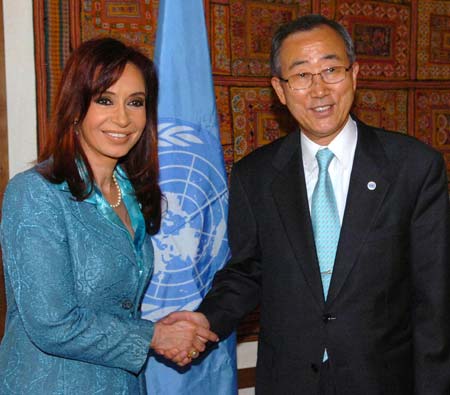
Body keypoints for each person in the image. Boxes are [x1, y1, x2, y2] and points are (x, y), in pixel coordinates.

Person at [162, 14, 450, 394]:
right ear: (279, 90)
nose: (319, 90)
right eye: (301, 75)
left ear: (354, 75)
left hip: (382, 380)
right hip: (289, 379)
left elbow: (435, 300)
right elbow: (249, 270)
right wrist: (204, 321)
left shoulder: (414, 167)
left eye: (331, 70)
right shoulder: (256, 174)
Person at [0, 37, 217, 395]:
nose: (122, 118)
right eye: (105, 100)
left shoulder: (132, 194)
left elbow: (116, 307)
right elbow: (52, 324)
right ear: (76, 107)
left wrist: (162, 331)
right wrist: (155, 335)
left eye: (135, 102)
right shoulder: (34, 193)